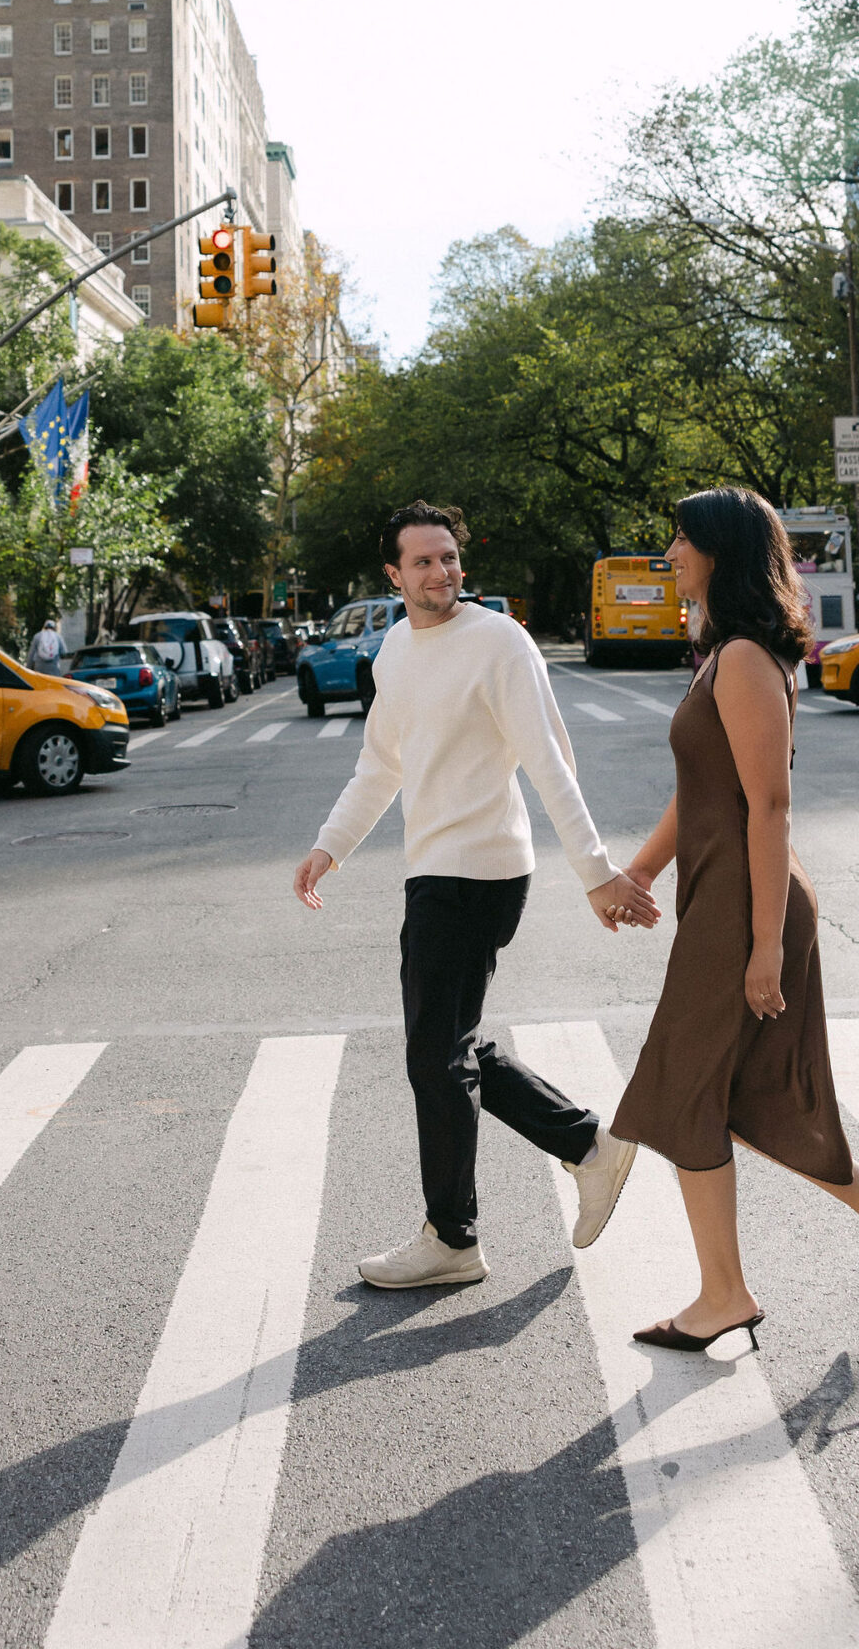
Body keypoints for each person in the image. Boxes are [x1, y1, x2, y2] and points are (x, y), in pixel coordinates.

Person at [610, 486, 859, 1351]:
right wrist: (640, 871)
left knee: (682, 1090)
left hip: (744, 905)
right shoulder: (721, 654)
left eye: (680, 540)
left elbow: (768, 806)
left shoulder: (746, 661)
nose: (669, 555)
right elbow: (703, 792)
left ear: (718, 552)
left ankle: (726, 1294)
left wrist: (763, 944)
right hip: (720, 897)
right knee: (735, 1094)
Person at [293, 501, 660, 1289]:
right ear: (392, 576)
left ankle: (452, 1237)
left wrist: (595, 872)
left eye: (449, 557)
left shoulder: (497, 642)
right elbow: (380, 766)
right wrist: (330, 845)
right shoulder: (393, 649)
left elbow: (548, 760)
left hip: (480, 871)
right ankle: (587, 1145)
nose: (441, 573)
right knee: (448, 1042)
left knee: (435, 1052)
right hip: (432, 867)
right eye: (422, 561)